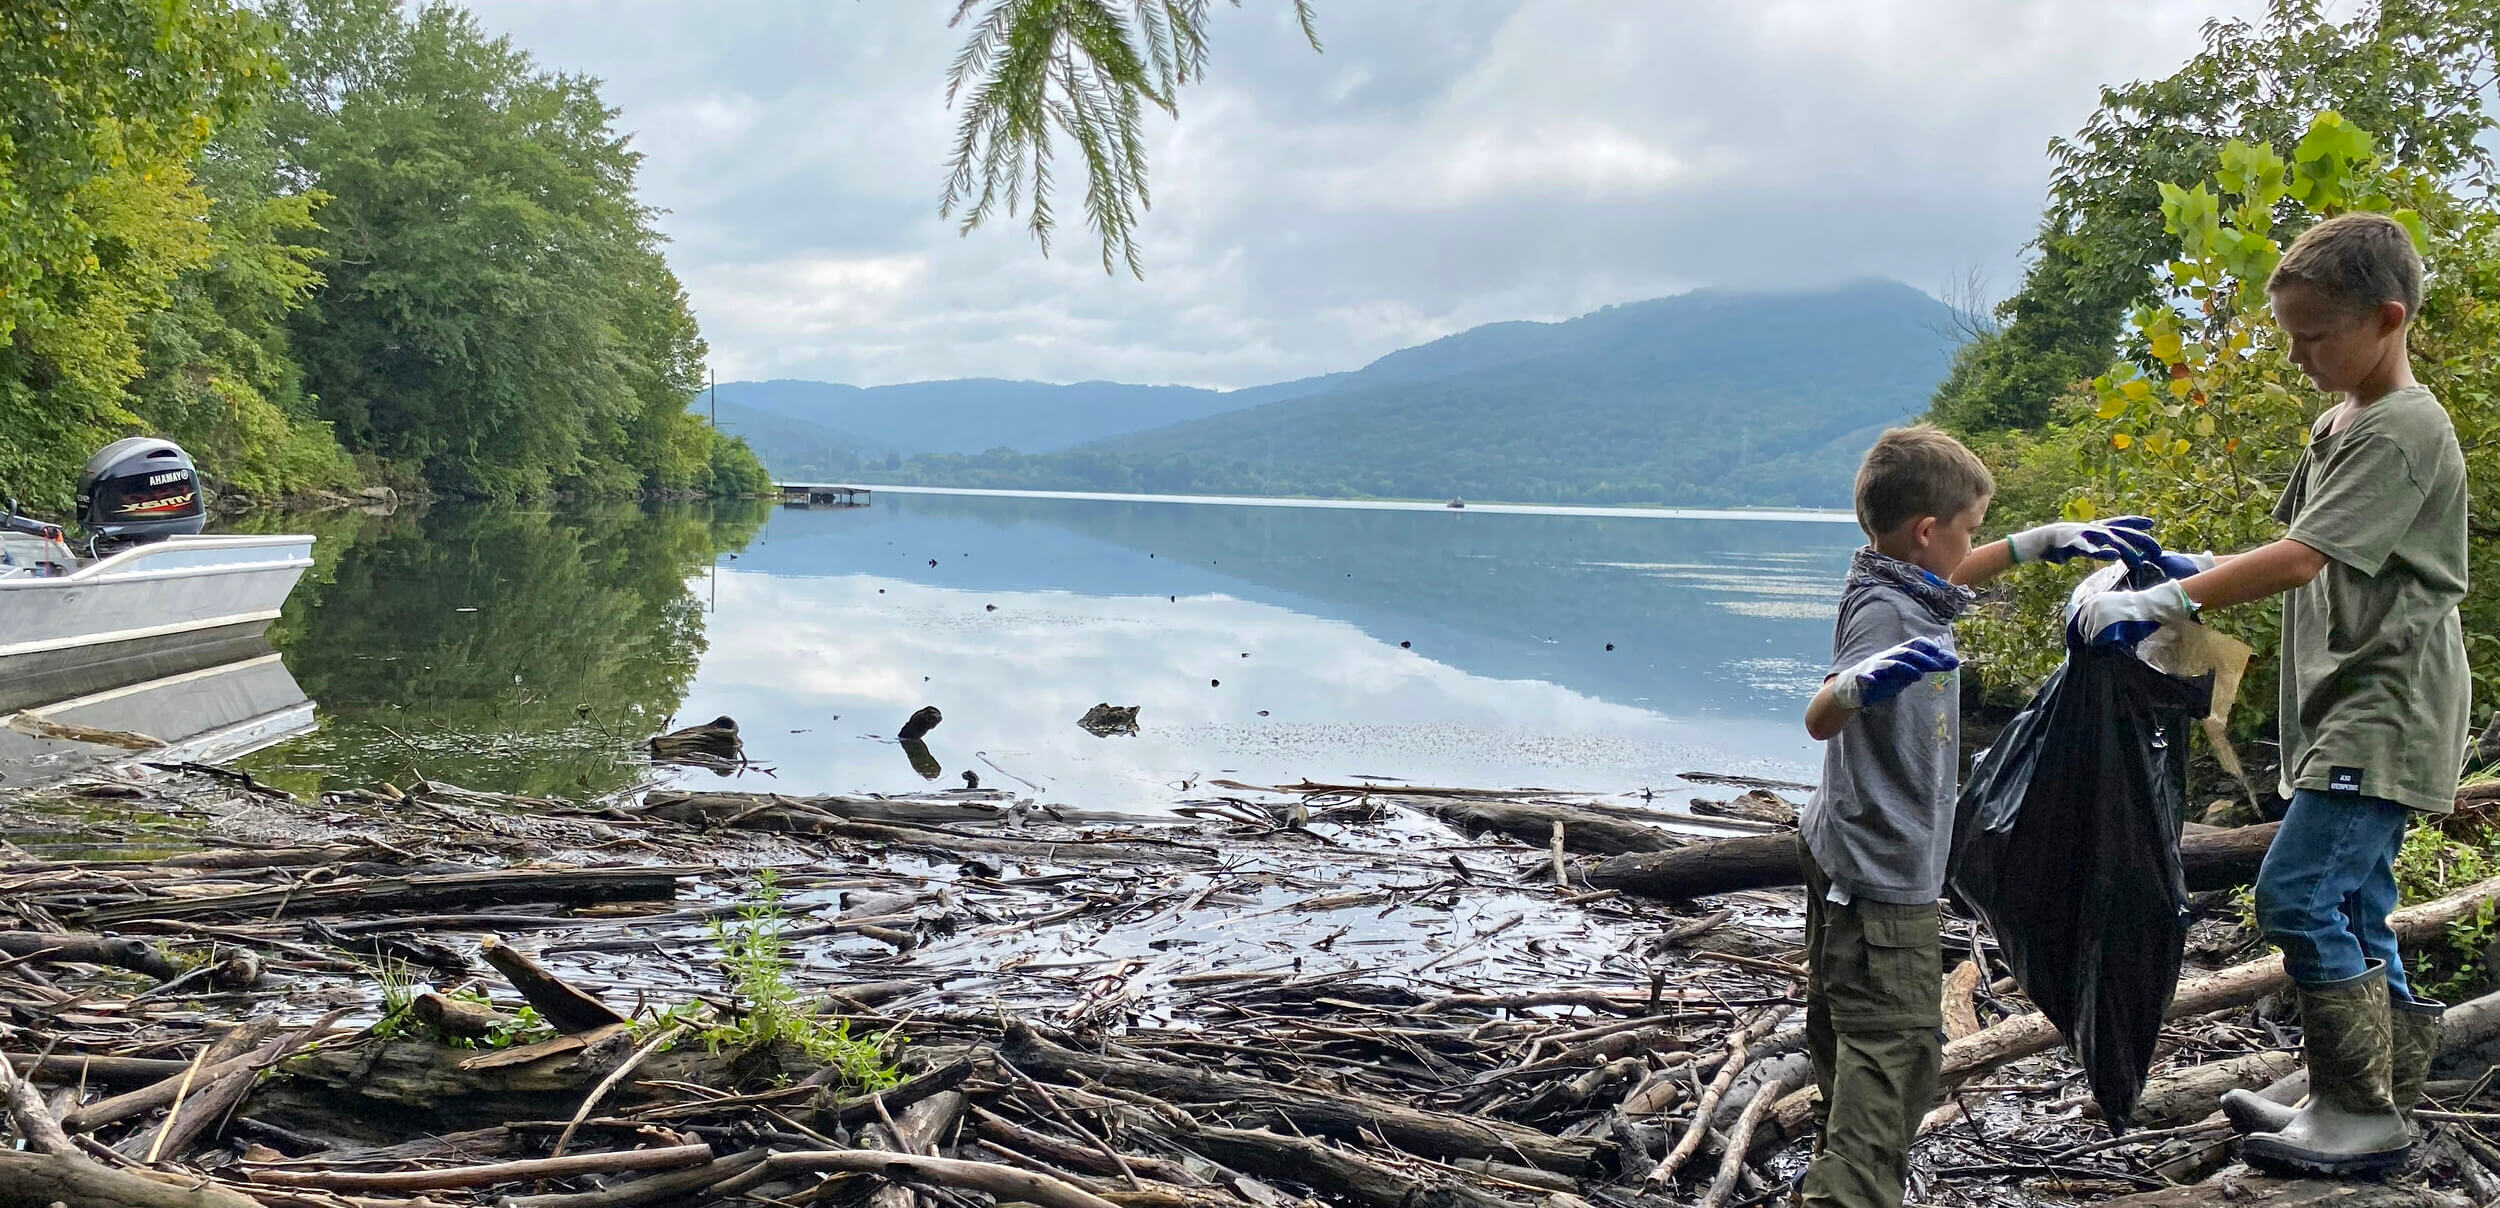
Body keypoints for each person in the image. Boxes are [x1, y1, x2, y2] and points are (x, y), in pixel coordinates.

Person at [2074, 213, 2467, 1177]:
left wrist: (2166, 601)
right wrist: (2176, 566)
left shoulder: (2405, 428)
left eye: (2315, 335)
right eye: (2288, 336)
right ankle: (2376, 1102)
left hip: (2388, 702)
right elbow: (2293, 551)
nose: (2298, 355)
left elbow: (2296, 563)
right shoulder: (2338, 423)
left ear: (2387, 318)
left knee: (2294, 896)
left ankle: (2356, 1108)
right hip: (2344, 702)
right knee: (2361, 903)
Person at [1797, 425, 2154, 1207]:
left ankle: (1838, 1170)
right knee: (1895, 1059)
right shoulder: (1889, 618)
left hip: (1845, 855)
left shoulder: (1895, 579)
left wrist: (2040, 544)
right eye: (1972, 527)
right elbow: (1821, 714)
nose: (1976, 542)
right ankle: (1845, 1193)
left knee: (1853, 1046)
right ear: (1929, 531)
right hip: (1880, 878)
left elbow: (1956, 572)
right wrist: (1865, 683)